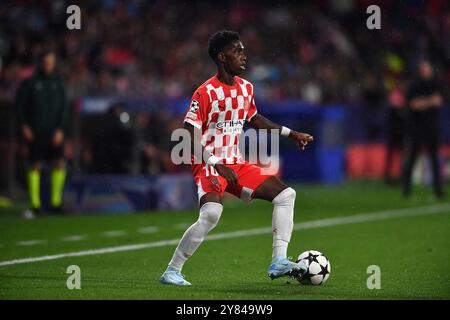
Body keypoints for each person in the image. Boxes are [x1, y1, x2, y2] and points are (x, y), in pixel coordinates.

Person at [160, 30, 314, 286]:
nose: (244, 56)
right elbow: (189, 135)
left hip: (235, 163)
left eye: (243, 51)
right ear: (222, 57)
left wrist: (291, 134)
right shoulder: (205, 92)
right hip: (209, 163)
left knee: (286, 195)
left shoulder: (246, 88)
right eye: (237, 51)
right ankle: (172, 271)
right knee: (210, 215)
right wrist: (216, 163)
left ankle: (279, 260)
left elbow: (255, 120)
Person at [15, 50, 68, 217]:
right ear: (40, 63)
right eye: (45, 62)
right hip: (36, 131)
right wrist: (24, 126)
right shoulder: (30, 83)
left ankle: (56, 203)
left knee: (59, 164)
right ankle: (35, 205)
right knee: (35, 165)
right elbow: (20, 106)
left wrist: (60, 128)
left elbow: (64, 108)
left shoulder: (58, 82)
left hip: (54, 132)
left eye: (50, 63)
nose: (48, 66)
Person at [402, 60, 444, 198]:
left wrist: (425, 103)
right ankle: (406, 187)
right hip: (417, 127)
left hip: (431, 126)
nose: (428, 71)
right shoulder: (414, 85)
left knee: (434, 157)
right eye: (426, 68)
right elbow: (413, 104)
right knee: (413, 156)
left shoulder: (435, 84)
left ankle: (438, 188)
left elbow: (439, 101)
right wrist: (430, 101)